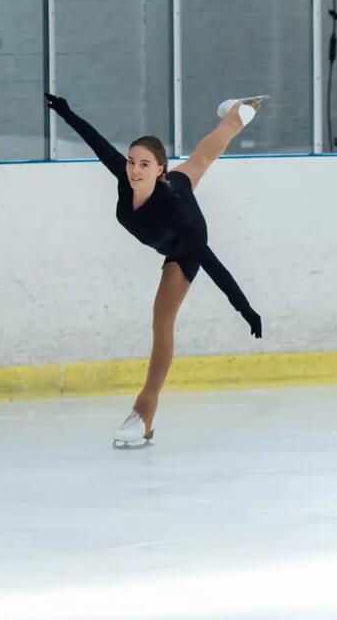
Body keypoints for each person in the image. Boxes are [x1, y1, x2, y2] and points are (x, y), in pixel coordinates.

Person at [47, 93, 266, 447]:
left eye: (144, 165)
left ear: (159, 169)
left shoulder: (179, 219)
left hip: (182, 244)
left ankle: (145, 412)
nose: (134, 169)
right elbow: (97, 142)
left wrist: (246, 309)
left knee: (162, 321)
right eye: (132, 162)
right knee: (202, 158)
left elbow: (213, 265)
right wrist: (66, 111)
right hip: (174, 187)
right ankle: (240, 112)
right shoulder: (128, 178)